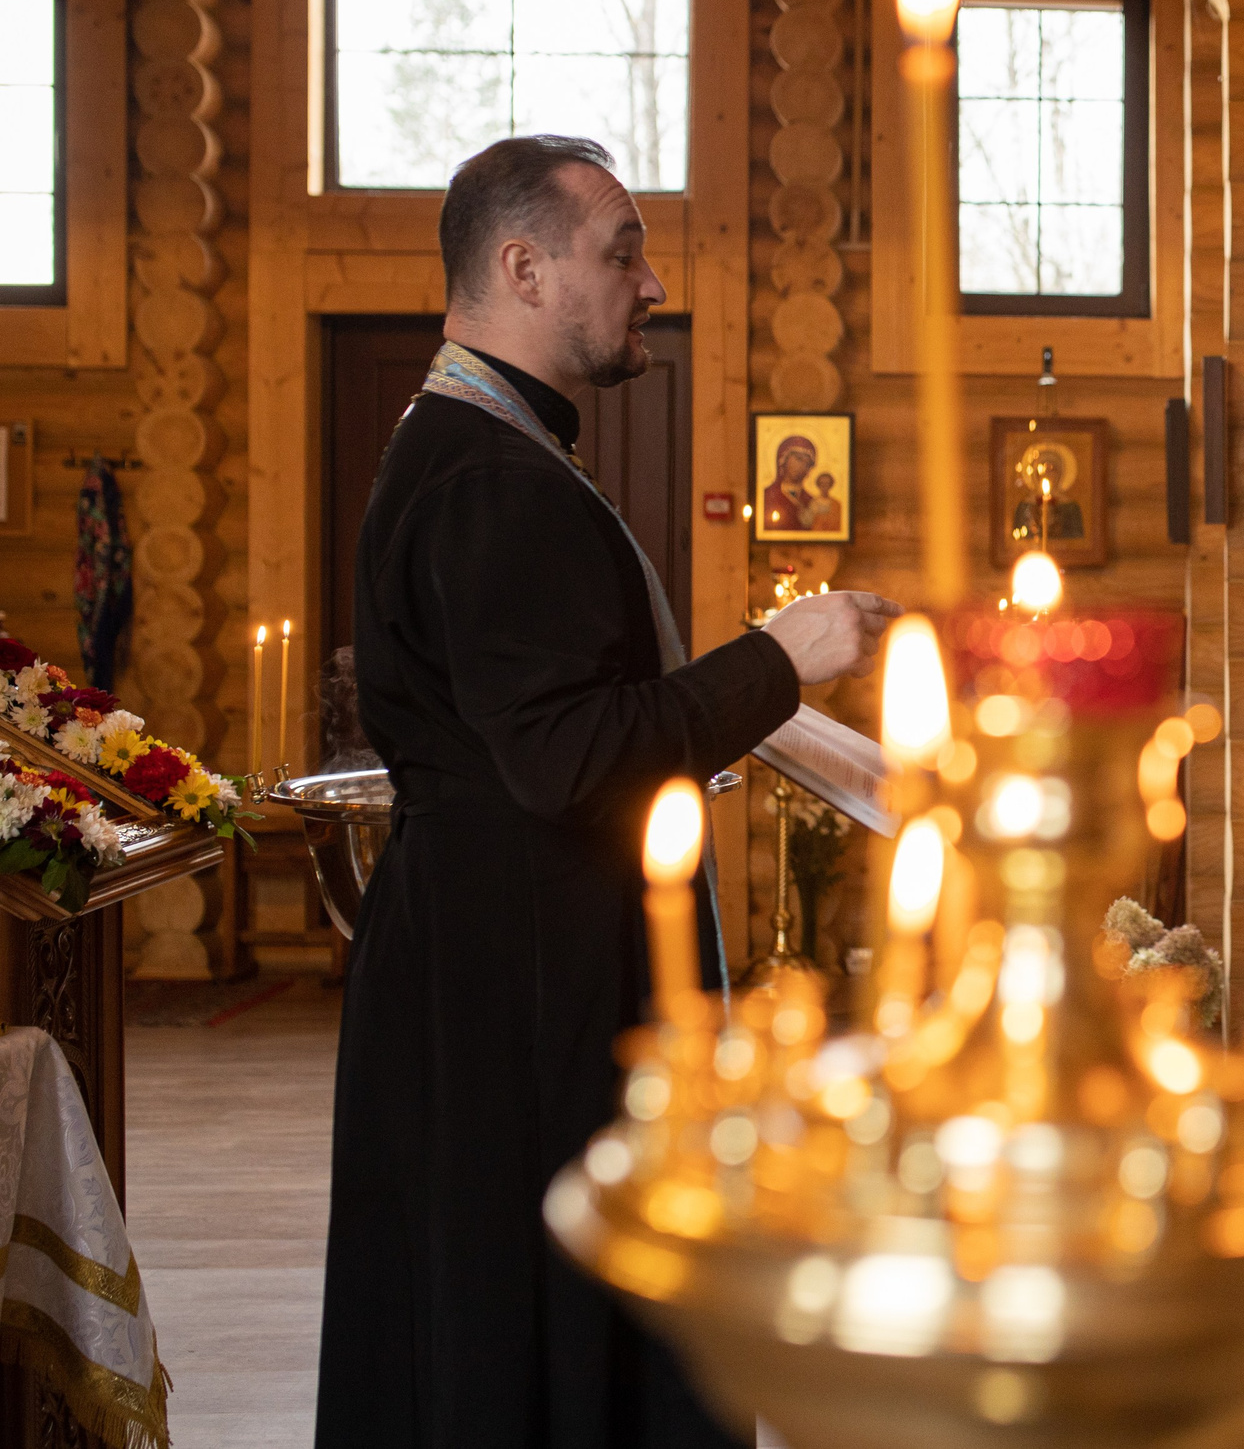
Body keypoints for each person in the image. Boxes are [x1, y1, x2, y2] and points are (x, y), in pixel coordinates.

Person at [318, 135, 898, 1449]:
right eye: (622, 252)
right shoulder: (489, 476)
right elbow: (568, 756)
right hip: (523, 988)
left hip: (505, 960)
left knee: (512, 1320)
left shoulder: (487, 449)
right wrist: (779, 659)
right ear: (524, 269)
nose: (653, 282)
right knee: (536, 1324)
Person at [762, 434, 816, 532]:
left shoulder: (812, 502)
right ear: (783, 458)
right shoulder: (766, 497)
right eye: (798, 459)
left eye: (807, 463)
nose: (802, 466)